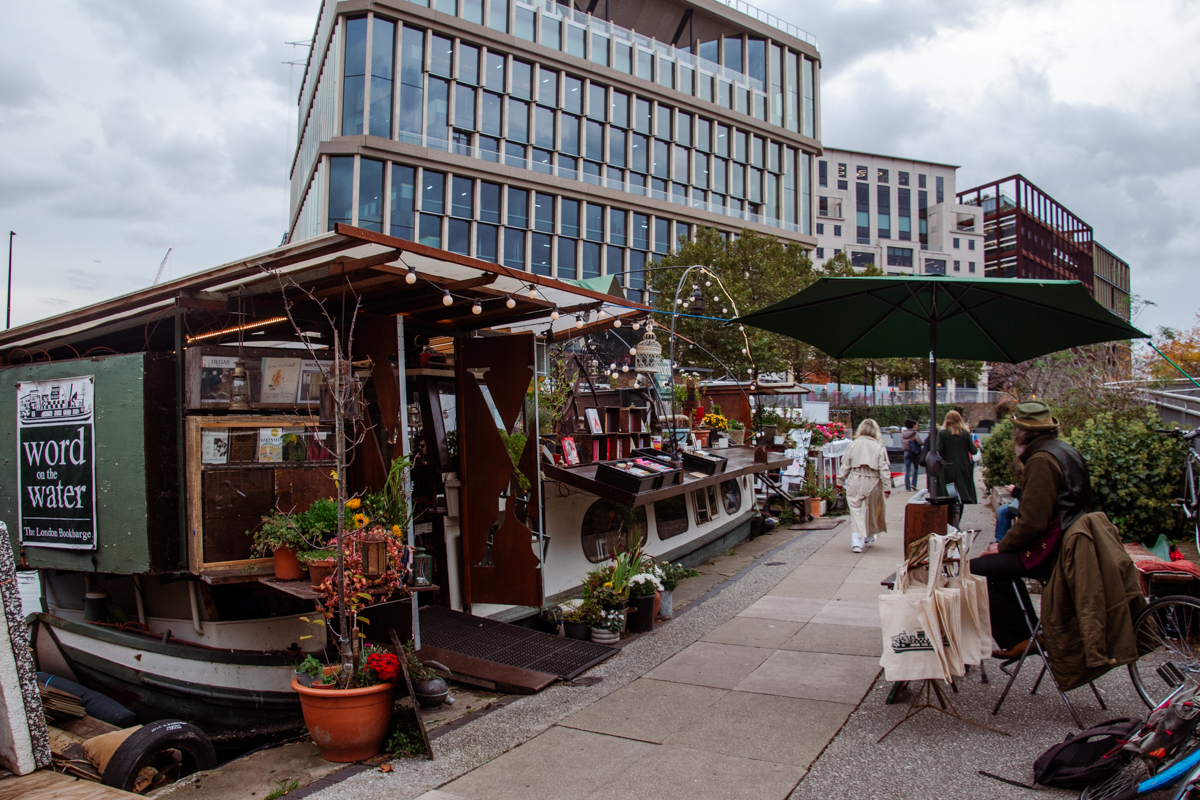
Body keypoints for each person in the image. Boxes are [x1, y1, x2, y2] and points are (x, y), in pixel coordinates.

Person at [970, 401, 1093, 659]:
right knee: (997, 569)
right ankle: (1029, 634)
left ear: (1022, 433)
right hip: (1070, 545)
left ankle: (1020, 638)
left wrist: (1000, 546)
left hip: (1056, 550)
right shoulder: (1064, 450)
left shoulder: (1042, 459)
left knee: (976, 570)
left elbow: (1032, 522)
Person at [838, 418, 892, 553]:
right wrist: (887, 487)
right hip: (873, 481)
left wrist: (840, 482)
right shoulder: (879, 447)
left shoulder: (853, 445)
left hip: (855, 478)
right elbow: (884, 469)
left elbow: (845, 465)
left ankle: (856, 541)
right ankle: (868, 536)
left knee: (856, 511)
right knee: (872, 510)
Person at [935, 410, 979, 506]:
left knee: (947, 495)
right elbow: (974, 451)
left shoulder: (942, 433)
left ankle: (949, 517)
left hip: (947, 467)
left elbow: (939, 451)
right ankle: (957, 517)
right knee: (962, 496)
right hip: (963, 467)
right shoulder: (965, 434)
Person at [900, 418, 923, 491]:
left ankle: (907, 487)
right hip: (914, 452)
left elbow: (902, 442)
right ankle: (914, 484)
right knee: (916, 468)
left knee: (907, 470)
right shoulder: (914, 433)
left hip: (906, 452)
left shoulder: (903, 433)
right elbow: (920, 442)